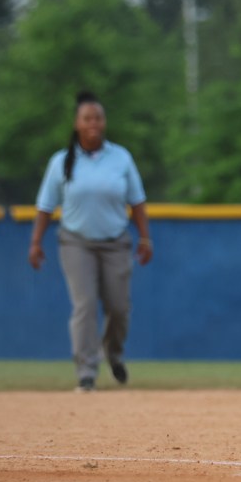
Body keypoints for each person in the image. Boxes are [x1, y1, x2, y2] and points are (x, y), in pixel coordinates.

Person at [27, 91, 153, 393]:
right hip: (76, 243)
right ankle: (86, 371)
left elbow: (137, 201)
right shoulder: (61, 162)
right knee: (84, 306)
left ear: (104, 122)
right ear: (77, 123)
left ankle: (114, 352)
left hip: (115, 242)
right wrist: (36, 242)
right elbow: (45, 206)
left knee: (119, 308)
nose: (93, 123)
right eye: (87, 118)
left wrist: (145, 237)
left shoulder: (121, 158)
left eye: (97, 118)